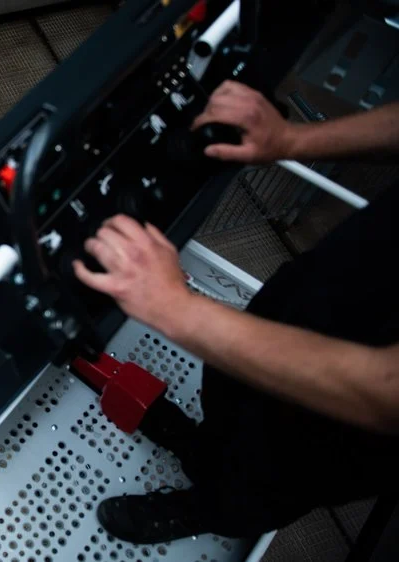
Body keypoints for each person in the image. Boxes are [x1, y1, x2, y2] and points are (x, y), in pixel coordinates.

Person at [76, 80, 399, 544]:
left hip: (355, 416)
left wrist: (176, 310)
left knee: (283, 472)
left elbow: (385, 392)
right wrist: (292, 139)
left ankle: (205, 509)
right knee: (230, 388)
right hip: (341, 279)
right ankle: (202, 448)